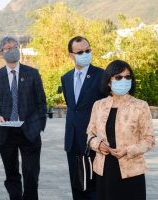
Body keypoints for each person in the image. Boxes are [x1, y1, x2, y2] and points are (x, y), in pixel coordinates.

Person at [0, 36, 47, 200]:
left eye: (15, 47)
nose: (12, 50)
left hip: (30, 130)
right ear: (0, 53)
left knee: (31, 173)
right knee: (11, 173)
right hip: (6, 132)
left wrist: (39, 125)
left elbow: (41, 101)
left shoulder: (32, 73)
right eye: (8, 48)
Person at [86, 60, 155, 200]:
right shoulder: (98, 106)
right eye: (118, 77)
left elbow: (149, 140)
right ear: (109, 82)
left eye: (128, 77)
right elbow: (90, 135)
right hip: (104, 170)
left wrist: (128, 150)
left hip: (131, 171)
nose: (124, 80)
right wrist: (97, 144)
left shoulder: (140, 106)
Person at [61, 36, 104, 200]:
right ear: (71, 55)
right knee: (77, 183)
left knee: (94, 185)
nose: (85, 54)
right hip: (72, 140)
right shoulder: (65, 78)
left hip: (94, 139)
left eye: (88, 50)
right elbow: (73, 107)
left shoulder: (101, 75)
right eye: (80, 52)